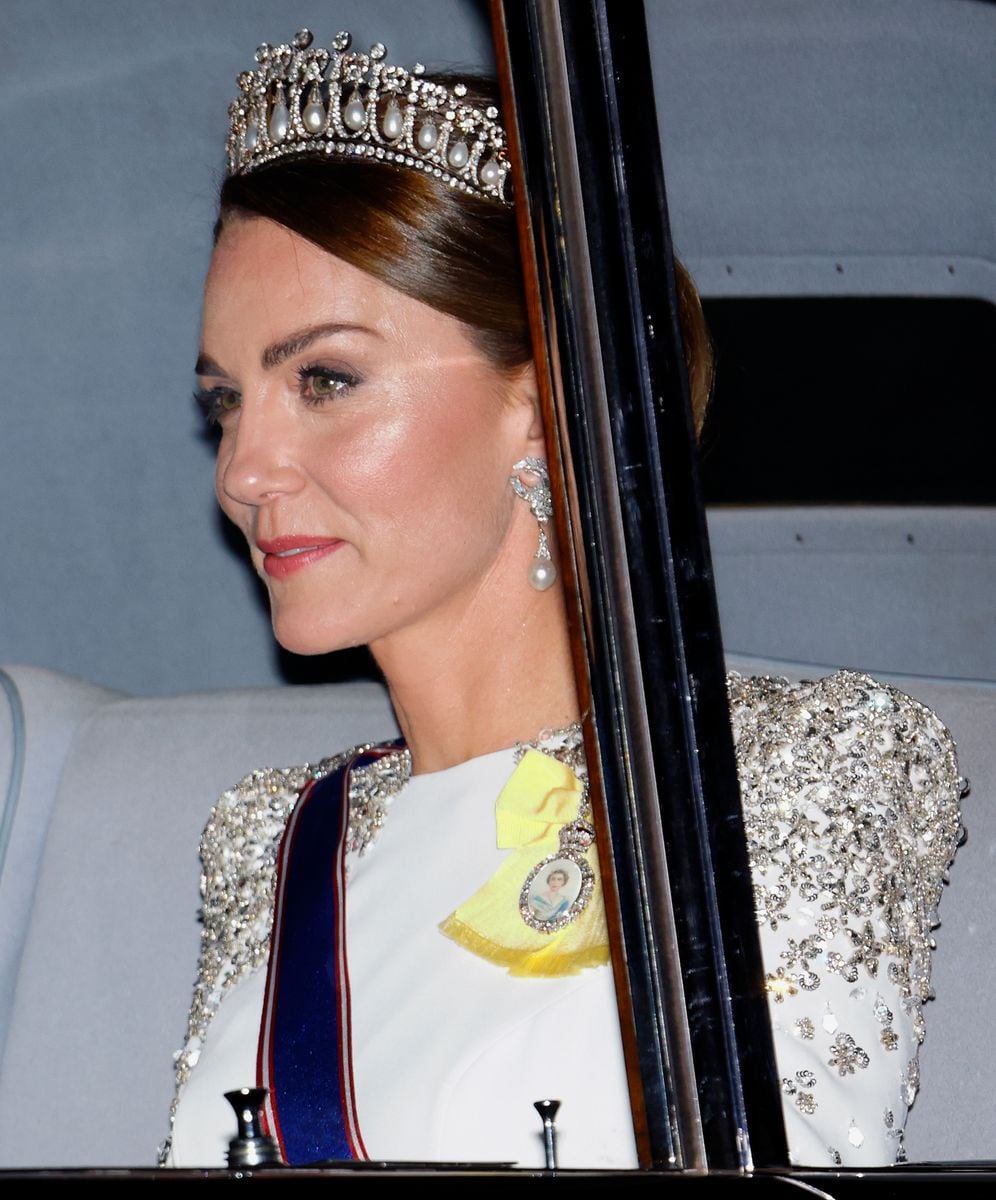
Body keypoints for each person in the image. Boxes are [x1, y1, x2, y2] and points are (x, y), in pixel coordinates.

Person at [165, 29, 963, 1171]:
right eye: (226, 402)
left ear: (543, 404)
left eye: (325, 380)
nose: (244, 468)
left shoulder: (778, 771)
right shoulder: (277, 842)